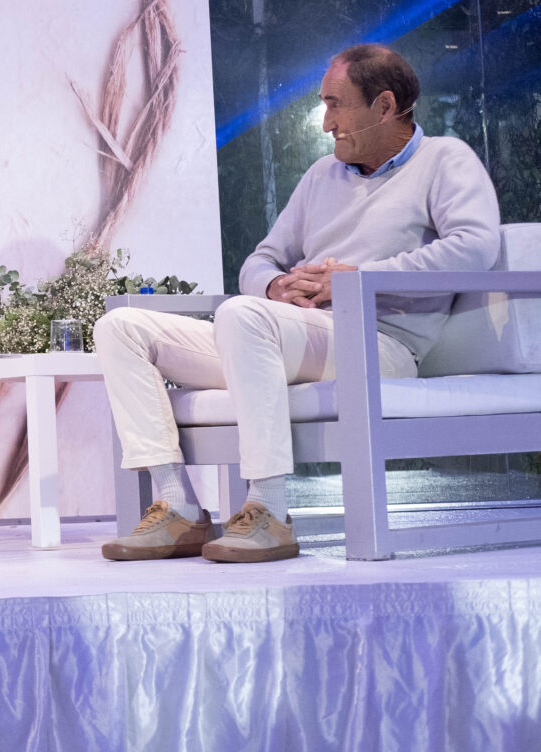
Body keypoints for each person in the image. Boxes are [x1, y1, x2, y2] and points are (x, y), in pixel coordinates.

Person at [96, 44, 500, 563]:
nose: (327, 121)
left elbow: (475, 245)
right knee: (122, 327)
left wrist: (355, 280)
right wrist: (275, 287)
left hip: (380, 344)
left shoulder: (444, 159)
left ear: (384, 106)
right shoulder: (320, 176)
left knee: (242, 316)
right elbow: (260, 261)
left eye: (337, 104)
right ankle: (177, 507)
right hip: (291, 335)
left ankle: (268, 510)